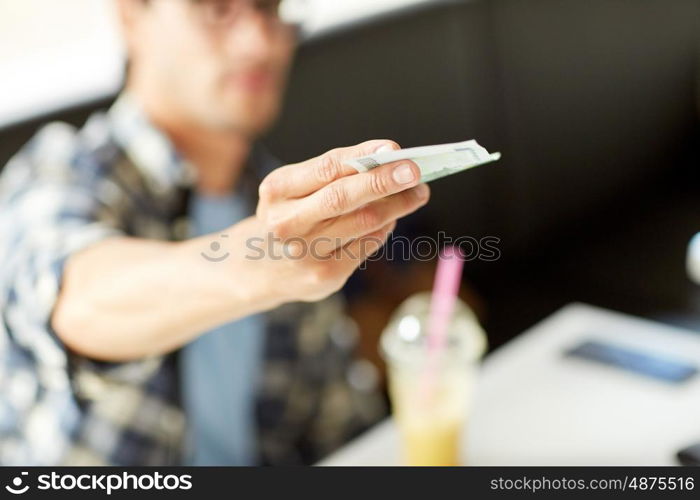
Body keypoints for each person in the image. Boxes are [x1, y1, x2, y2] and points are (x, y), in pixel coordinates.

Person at [0, 0, 430, 465]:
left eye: (270, 8)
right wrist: (256, 261)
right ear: (130, 17)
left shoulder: (282, 206)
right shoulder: (62, 173)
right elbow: (77, 298)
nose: (261, 41)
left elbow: (338, 424)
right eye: (216, 8)